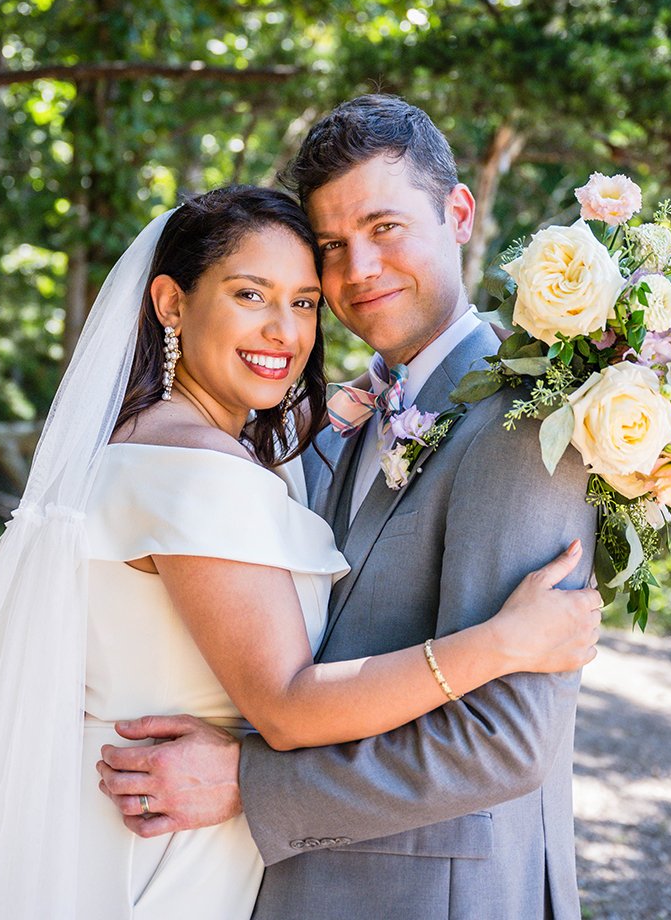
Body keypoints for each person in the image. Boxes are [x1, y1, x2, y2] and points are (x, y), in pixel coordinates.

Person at [0, 184, 602, 920]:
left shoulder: (145, 443)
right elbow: (289, 707)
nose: (283, 332)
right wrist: (500, 642)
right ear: (170, 304)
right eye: (250, 295)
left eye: (301, 303)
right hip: (162, 849)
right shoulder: (196, 473)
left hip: (115, 827)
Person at [97, 96, 602, 920]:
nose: (357, 269)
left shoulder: (529, 423)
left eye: (385, 227)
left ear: (459, 213)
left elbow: (507, 742)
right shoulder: (335, 421)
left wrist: (247, 781)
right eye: (331, 246)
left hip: (434, 892)